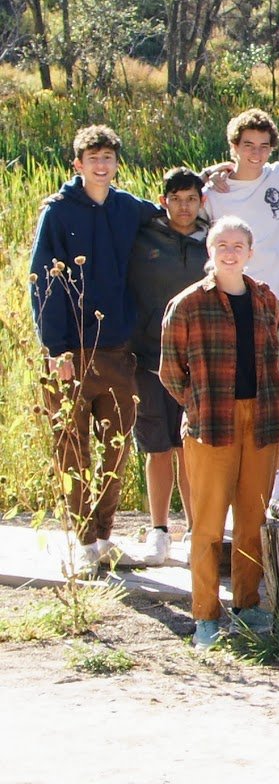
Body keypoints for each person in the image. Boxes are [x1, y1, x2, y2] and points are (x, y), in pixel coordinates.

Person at [31, 124, 160, 572]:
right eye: (93, 159)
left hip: (118, 349)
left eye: (108, 158)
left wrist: (215, 178)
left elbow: (177, 208)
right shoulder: (59, 213)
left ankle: (105, 535)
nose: (101, 166)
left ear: (116, 164)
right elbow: (43, 283)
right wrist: (55, 350)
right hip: (70, 352)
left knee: (117, 447)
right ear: (78, 165)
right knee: (72, 449)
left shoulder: (128, 208)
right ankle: (83, 542)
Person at [159, 216, 279, 647]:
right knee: (209, 524)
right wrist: (200, 403)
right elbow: (170, 371)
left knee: (252, 520)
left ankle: (249, 605)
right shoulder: (187, 305)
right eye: (222, 245)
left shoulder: (266, 300)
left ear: (250, 253)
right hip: (210, 421)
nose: (230, 252)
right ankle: (205, 616)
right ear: (210, 252)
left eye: (239, 245)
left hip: (262, 420)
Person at [200, 109, 279, 487]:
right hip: (236, 301)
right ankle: (240, 480)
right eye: (247, 145)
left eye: (264, 146)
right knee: (239, 397)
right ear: (233, 146)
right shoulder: (213, 193)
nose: (256, 153)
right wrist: (210, 174)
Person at [129, 167, 207, 563]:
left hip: (196, 363)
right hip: (148, 357)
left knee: (188, 447)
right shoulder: (144, 236)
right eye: (175, 199)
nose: (183, 206)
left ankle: (195, 529)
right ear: (164, 201)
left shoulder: (210, 242)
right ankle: (159, 529)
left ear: (201, 201)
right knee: (156, 446)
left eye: (191, 198)